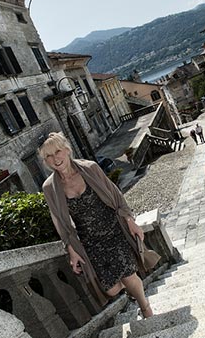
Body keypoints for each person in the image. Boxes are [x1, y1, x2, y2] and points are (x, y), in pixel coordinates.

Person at [39, 132, 156, 317]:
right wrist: (71, 248)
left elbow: (115, 194)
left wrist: (130, 220)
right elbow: (58, 220)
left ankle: (145, 307)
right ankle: (132, 292)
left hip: (114, 229)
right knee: (109, 289)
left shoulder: (90, 168)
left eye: (57, 151)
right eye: (48, 156)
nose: (55, 158)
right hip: (90, 241)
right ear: (45, 161)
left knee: (127, 273)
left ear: (67, 150)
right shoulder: (49, 188)